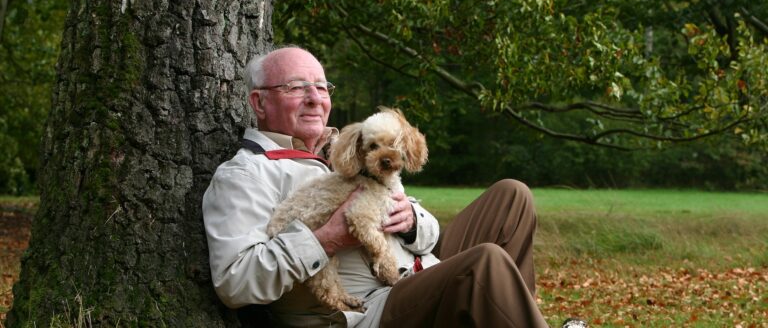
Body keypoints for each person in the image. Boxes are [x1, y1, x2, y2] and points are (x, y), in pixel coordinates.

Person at [203, 46, 570, 327]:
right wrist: (326, 238)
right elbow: (235, 283)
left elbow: (422, 229)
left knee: (512, 196)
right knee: (484, 262)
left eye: (320, 86)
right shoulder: (246, 174)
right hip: (371, 309)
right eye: (296, 88)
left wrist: (412, 222)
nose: (315, 97)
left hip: (419, 267)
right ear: (259, 102)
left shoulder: (353, 146)